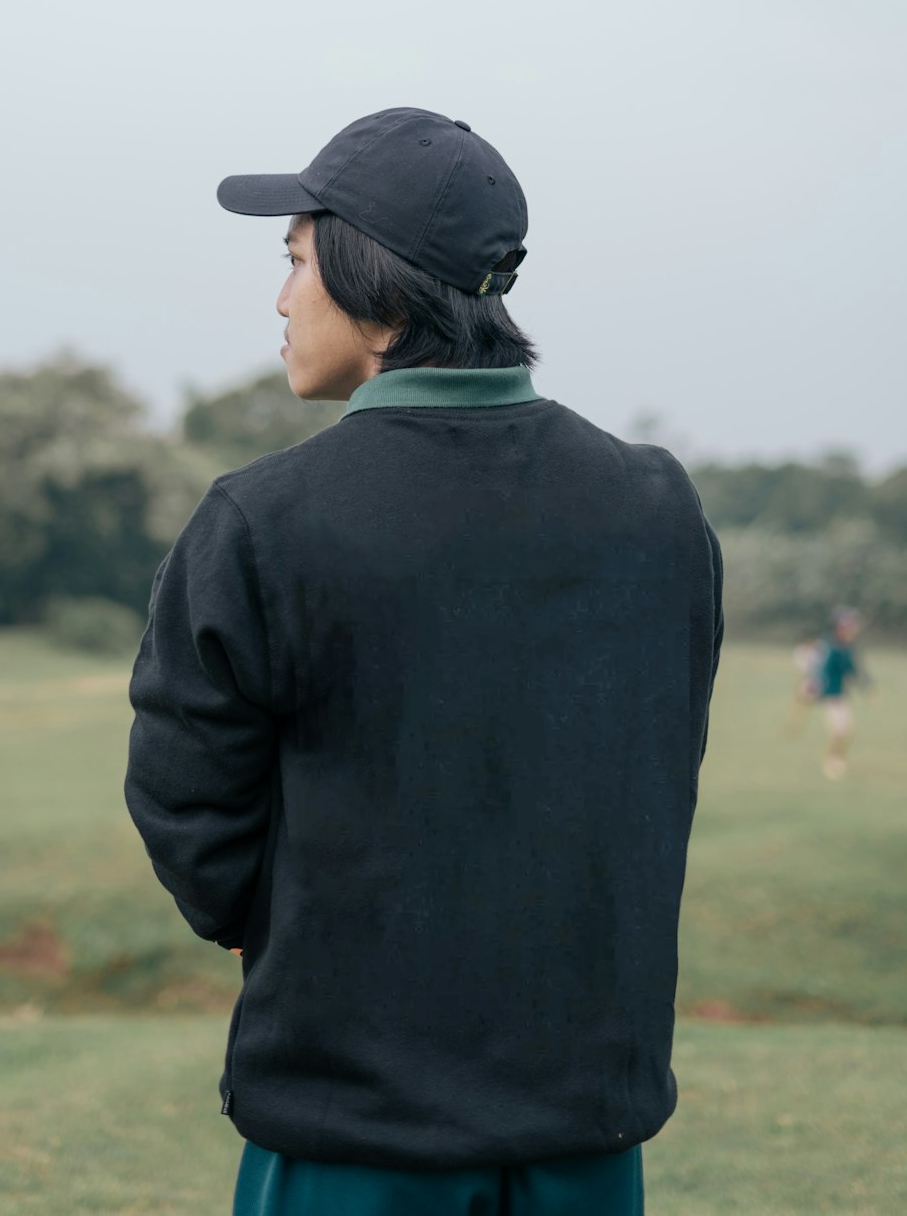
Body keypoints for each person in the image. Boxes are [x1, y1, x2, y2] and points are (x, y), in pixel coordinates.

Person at [124, 106, 725, 1216]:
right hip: (587, 1123)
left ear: (368, 274)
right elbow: (654, 770)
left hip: (355, 1127)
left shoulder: (267, 519)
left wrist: (318, 925)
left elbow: (186, 806)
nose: (281, 296)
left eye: (297, 258)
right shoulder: (657, 506)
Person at [813, 605, 867, 779]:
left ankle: (836, 758)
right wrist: (815, 685)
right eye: (850, 625)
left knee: (846, 731)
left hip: (841, 695)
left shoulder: (847, 648)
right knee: (840, 731)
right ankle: (832, 761)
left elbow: (852, 670)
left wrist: (866, 686)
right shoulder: (830, 646)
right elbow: (821, 669)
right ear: (840, 627)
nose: (853, 629)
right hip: (830, 695)